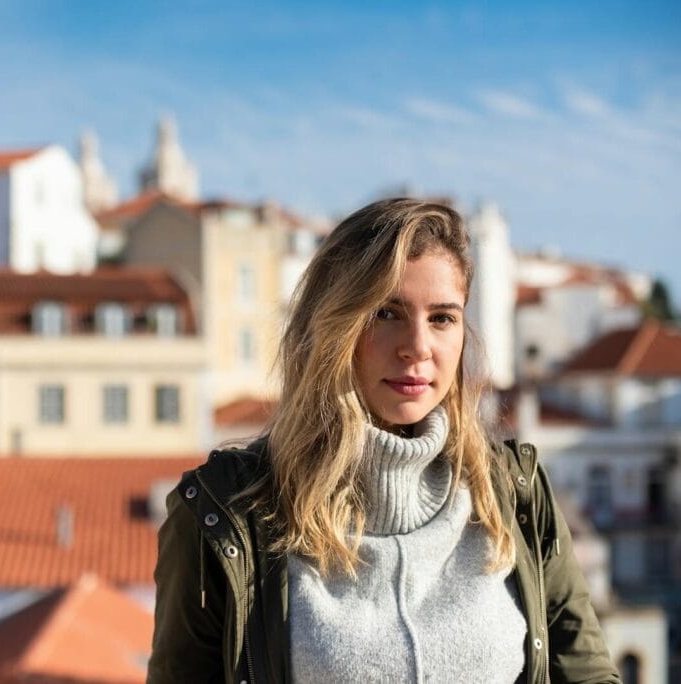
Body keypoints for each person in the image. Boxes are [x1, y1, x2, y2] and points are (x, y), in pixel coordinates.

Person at [148, 198, 619, 683]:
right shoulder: (226, 514)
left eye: (442, 318)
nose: (417, 346)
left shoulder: (515, 493)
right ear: (333, 326)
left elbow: (586, 674)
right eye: (386, 313)